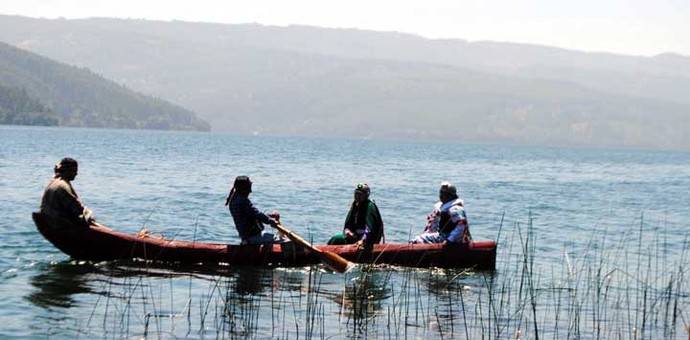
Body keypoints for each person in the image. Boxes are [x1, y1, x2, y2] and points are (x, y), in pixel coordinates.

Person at [225, 176, 283, 245]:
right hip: (253, 237)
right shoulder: (242, 201)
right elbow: (256, 214)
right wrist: (270, 221)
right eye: (249, 188)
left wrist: (269, 216)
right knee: (286, 242)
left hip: (248, 237)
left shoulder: (235, 200)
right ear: (243, 189)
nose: (250, 191)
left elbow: (251, 215)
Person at [40, 157, 95, 226]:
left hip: (48, 220)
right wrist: (89, 217)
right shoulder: (63, 187)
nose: (76, 174)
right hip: (58, 225)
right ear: (67, 171)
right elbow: (77, 209)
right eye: (74, 171)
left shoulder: (54, 181)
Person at [327, 183, 384, 247]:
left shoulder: (370, 207)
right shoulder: (355, 205)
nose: (357, 196)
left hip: (367, 239)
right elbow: (348, 224)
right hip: (355, 236)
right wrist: (348, 232)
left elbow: (370, 228)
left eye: (360, 194)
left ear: (366, 195)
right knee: (336, 239)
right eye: (356, 193)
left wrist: (363, 240)